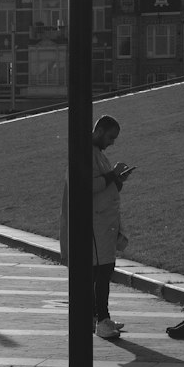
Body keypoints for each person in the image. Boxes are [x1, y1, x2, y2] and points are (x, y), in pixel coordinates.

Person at [60, 114, 135, 340]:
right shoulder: (85, 154)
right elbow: (86, 187)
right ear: (100, 131)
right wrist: (113, 175)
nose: (112, 142)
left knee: (103, 271)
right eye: (111, 137)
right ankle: (101, 318)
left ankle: (100, 317)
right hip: (93, 225)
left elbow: (104, 187)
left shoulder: (97, 155)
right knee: (101, 272)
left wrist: (117, 179)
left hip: (103, 224)